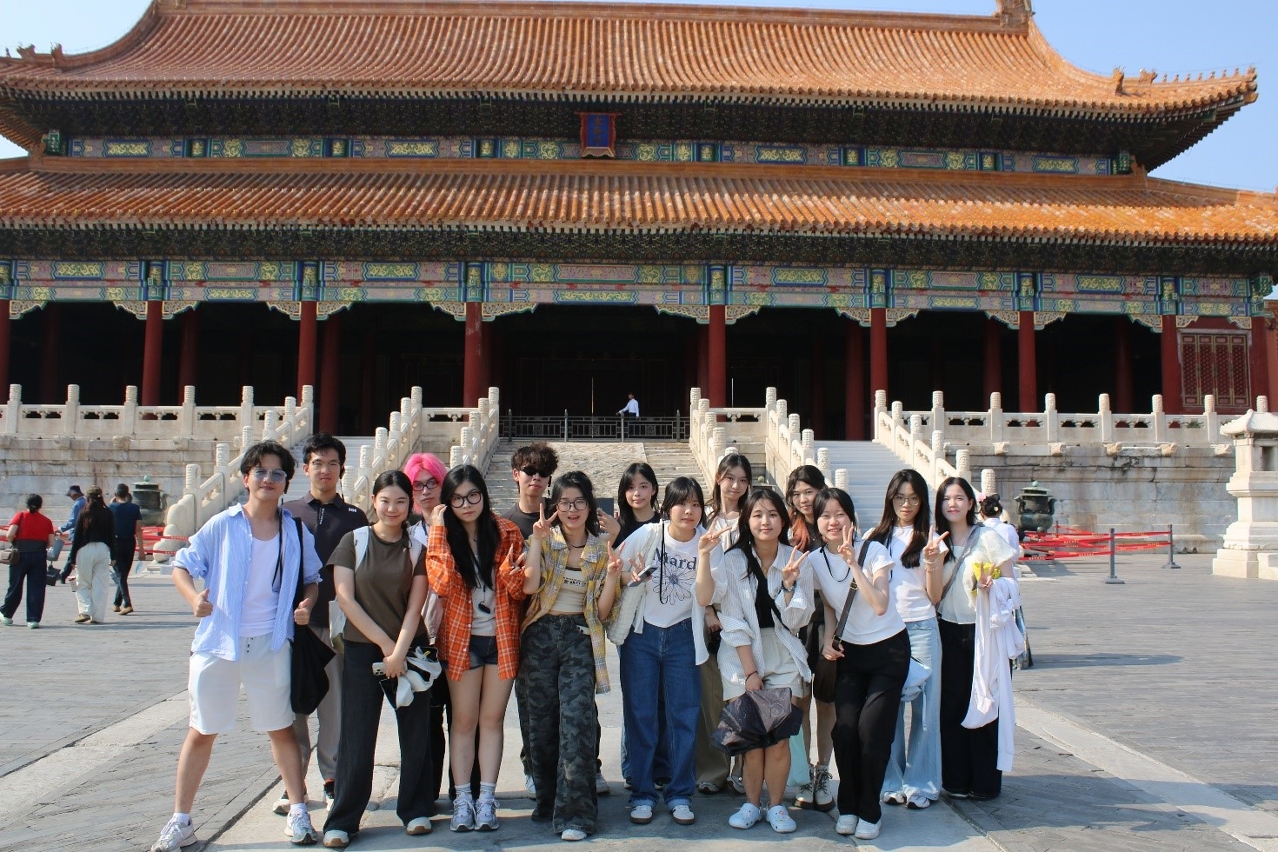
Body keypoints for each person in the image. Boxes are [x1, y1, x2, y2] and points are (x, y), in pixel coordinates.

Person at [149, 440, 322, 852]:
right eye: (260, 471)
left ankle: (298, 811)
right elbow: (182, 566)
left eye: (277, 473)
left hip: (271, 641)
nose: (268, 479)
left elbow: (312, 579)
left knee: (281, 728)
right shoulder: (222, 525)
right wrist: (194, 599)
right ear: (245, 478)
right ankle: (181, 821)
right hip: (218, 642)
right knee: (201, 730)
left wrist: (306, 605)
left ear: (286, 482)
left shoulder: (296, 530)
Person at [321, 470, 433, 848]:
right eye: (385, 500)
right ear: (373, 501)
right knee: (356, 733)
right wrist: (386, 646)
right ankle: (344, 819)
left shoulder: (416, 548)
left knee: (415, 730)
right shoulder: (353, 541)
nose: (392, 508)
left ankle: (415, 809)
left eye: (400, 501)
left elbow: (416, 606)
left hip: (410, 647)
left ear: (409, 505)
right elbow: (346, 599)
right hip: (363, 648)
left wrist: (399, 651)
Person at [696, 487, 813, 834]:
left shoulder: (796, 559)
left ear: (784, 520)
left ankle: (776, 805)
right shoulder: (732, 560)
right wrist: (750, 673)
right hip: (740, 652)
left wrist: (789, 587)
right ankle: (751, 803)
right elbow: (731, 619)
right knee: (750, 739)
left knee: (777, 739)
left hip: (782, 649)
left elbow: (798, 620)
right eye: (758, 514)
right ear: (746, 520)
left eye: (773, 514)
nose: (766, 521)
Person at [519, 471, 623, 841]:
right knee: (541, 725)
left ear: (590, 506)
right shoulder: (546, 541)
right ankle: (548, 802)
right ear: (555, 506)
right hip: (540, 636)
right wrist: (536, 541)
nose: (572, 509)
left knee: (577, 723)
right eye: (565, 503)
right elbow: (529, 586)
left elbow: (603, 611)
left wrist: (613, 575)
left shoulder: (600, 548)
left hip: (579, 637)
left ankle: (577, 815)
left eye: (579, 502)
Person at [426, 465, 526, 833]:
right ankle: (462, 800)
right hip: (461, 639)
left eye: (473, 496)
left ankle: (486, 799)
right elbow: (441, 582)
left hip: (501, 637)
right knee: (464, 722)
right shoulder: (445, 537)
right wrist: (438, 530)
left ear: (483, 495)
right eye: (457, 499)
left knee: (492, 721)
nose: (467, 504)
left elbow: (519, 590)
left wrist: (512, 570)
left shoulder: (507, 532)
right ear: (447, 503)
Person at [613, 476, 710, 829]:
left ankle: (680, 793)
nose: (689, 511)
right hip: (642, 634)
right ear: (667, 507)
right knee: (641, 715)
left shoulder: (706, 541)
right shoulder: (648, 534)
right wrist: (632, 577)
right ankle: (642, 794)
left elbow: (706, 597)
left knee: (684, 716)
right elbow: (616, 571)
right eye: (682, 503)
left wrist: (704, 556)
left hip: (684, 636)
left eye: (696, 504)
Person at [813, 487, 909, 842]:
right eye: (825, 515)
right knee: (844, 729)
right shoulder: (815, 561)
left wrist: (854, 562)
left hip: (888, 652)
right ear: (816, 522)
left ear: (851, 518)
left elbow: (880, 604)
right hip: (851, 655)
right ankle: (848, 806)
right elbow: (830, 603)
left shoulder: (874, 551)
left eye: (840, 514)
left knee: (872, 732)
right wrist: (828, 639)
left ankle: (870, 810)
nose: (833, 521)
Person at [282, 433, 369, 813]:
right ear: (306, 468)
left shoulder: (354, 517)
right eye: (318, 463)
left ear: (341, 470)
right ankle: (294, 780)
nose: (325, 470)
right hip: (294, 625)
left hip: (336, 624)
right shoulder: (288, 512)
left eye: (333, 464)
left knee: (334, 706)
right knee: (294, 705)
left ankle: (332, 776)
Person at [932, 477, 1018, 801]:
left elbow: (1012, 585)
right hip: (947, 630)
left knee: (986, 700)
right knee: (952, 704)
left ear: (971, 503)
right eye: (946, 498)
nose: (952, 504)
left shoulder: (988, 538)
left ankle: (985, 781)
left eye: (959, 498)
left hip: (984, 632)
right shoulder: (935, 541)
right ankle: (955, 779)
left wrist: (991, 587)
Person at [868, 469, 943, 810]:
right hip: (887, 631)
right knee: (889, 710)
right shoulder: (875, 538)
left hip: (922, 626)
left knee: (926, 711)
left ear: (922, 501)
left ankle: (922, 784)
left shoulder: (930, 538)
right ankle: (891, 781)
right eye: (900, 497)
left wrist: (932, 563)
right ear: (890, 499)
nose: (906, 504)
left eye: (913, 498)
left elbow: (935, 596)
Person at [403, 451, 472, 805]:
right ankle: (425, 795)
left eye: (432, 483)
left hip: (460, 636)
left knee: (463, 718)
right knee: (426, 720)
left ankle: (465, 791)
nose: (426, 491)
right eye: (418, 485)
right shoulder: (408, 536)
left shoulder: (464, 531)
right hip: (422, 639)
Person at [611, 462, 669, 792]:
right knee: (636, 699)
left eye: (644, 485)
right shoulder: (617, 527)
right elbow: (609, 571)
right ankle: (633, 768)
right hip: (632, 621)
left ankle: (660, 767)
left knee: (662, 698)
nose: (637, 493)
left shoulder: (667, 525)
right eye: (631, 487)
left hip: (664, 618)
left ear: (654, 489)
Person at [697, 453, 751, 795]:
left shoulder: (753, 516)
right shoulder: (703, 517)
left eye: (743, 480)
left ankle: (743, 768)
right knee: (712, 698)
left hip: (744, 616)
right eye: (730, 478)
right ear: (718, 478)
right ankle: (713, 770)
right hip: (709, 617)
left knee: (742, 696)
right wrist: (707, 612)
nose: (735, 486)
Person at [785, 465, 835, 811]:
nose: (803, 499)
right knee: (799, 701)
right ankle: (803, 773)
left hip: (829, 627)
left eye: (809, 491)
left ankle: (823, 771)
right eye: (797, 493)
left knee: (827, 702)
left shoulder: (834, 525)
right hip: (798, 626)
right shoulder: (789, 531)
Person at [2, 493, 56, 628]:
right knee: (36, 588)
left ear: (26, 504)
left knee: (15, 586)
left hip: (20, 555)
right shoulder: (46, 521)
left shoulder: (20, 516)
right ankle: (33, 619)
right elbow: (51, 542)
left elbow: (10, 534)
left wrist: (14, 543)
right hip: (39, 556)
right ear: (40, 506)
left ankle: (7, 614)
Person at [68, 486, 115, 625]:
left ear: (87, 498)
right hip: (102, 549)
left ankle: (85, 610)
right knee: (100, 584)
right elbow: (112, 536)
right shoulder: (108, 513)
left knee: (82, 582)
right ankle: (98, 616)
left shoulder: (84, 512)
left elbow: (77, 536)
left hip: (84, 549)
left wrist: (72, 557)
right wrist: (114, 556)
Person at [108, 483, 144, 616]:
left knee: (120, 575)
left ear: (115, 494)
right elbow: (138, 530)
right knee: (123, 575)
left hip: (116, 543)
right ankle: (116, 603)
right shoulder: (134, 508)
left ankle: (127, 604)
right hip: (130, 543)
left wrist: (112, 500)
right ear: (128, 494)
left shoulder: (111, 507)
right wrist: (141, 549)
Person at [57, 484, 86, 583]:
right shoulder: (85, 502)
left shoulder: (77, 504)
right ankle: (65, 575)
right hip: (85, 533)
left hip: (77, 533)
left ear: (74, 495)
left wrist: (61, 529)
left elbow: (73, 521)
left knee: (73, 555)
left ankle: (64, 575)